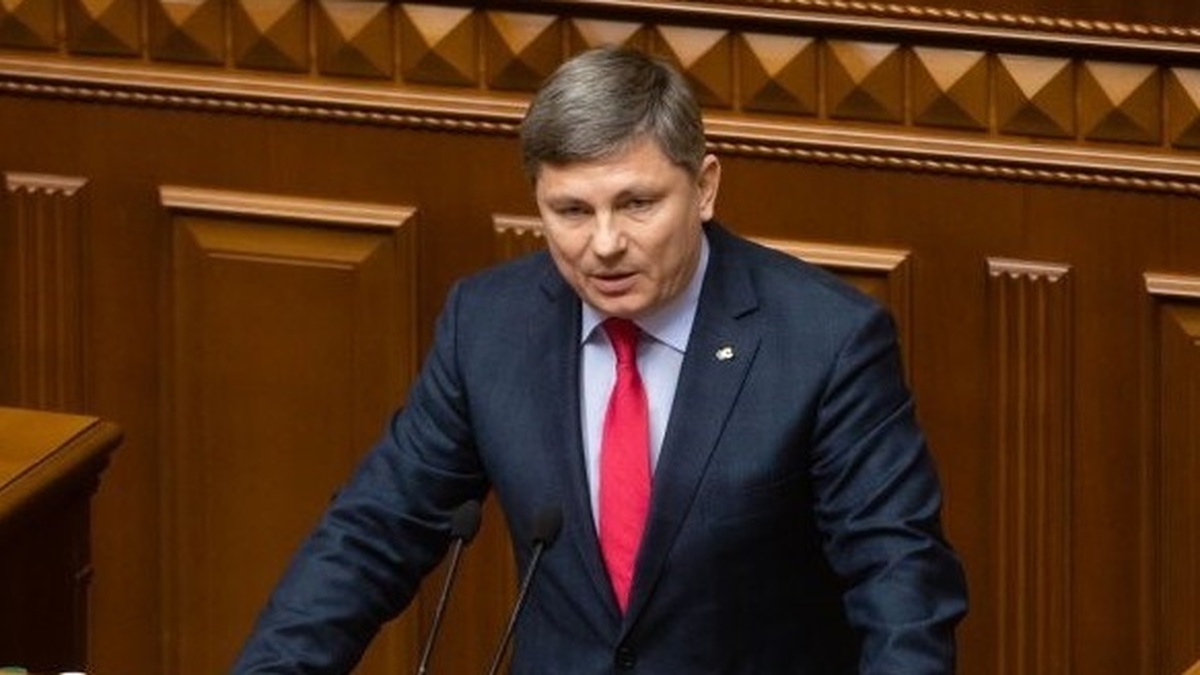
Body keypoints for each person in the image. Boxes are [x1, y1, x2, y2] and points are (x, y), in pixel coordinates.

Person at [232, 45, 967, 674]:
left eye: (637, 204)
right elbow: (374, 532)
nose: (605, 244)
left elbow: (899, 581)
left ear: (705, 186)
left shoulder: (826, 341)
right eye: (572, 211)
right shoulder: (489, 324)